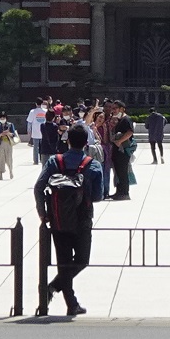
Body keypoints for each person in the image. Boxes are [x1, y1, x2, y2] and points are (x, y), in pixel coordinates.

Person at [34, 122, 104, 316]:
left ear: (67, 140)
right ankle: (63, 297)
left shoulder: (54, 162)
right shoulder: (93, 165)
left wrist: (43, 212)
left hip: (58, 219)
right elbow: (99, 195)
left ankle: (62, 296)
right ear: (85, 143)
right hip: (83, 219)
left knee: (63, 261)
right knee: (82, 260)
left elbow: (39, 187)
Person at [0, 113, 17, 179]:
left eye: (3, 118)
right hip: (1, 143)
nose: (2, 120)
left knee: (9, 158)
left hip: (8, 143)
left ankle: (10, 171)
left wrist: (8, 133)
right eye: (1, 118)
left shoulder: (10, 125)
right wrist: (1, 134)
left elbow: (13, 134)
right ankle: (1, 174)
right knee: (1, 159)